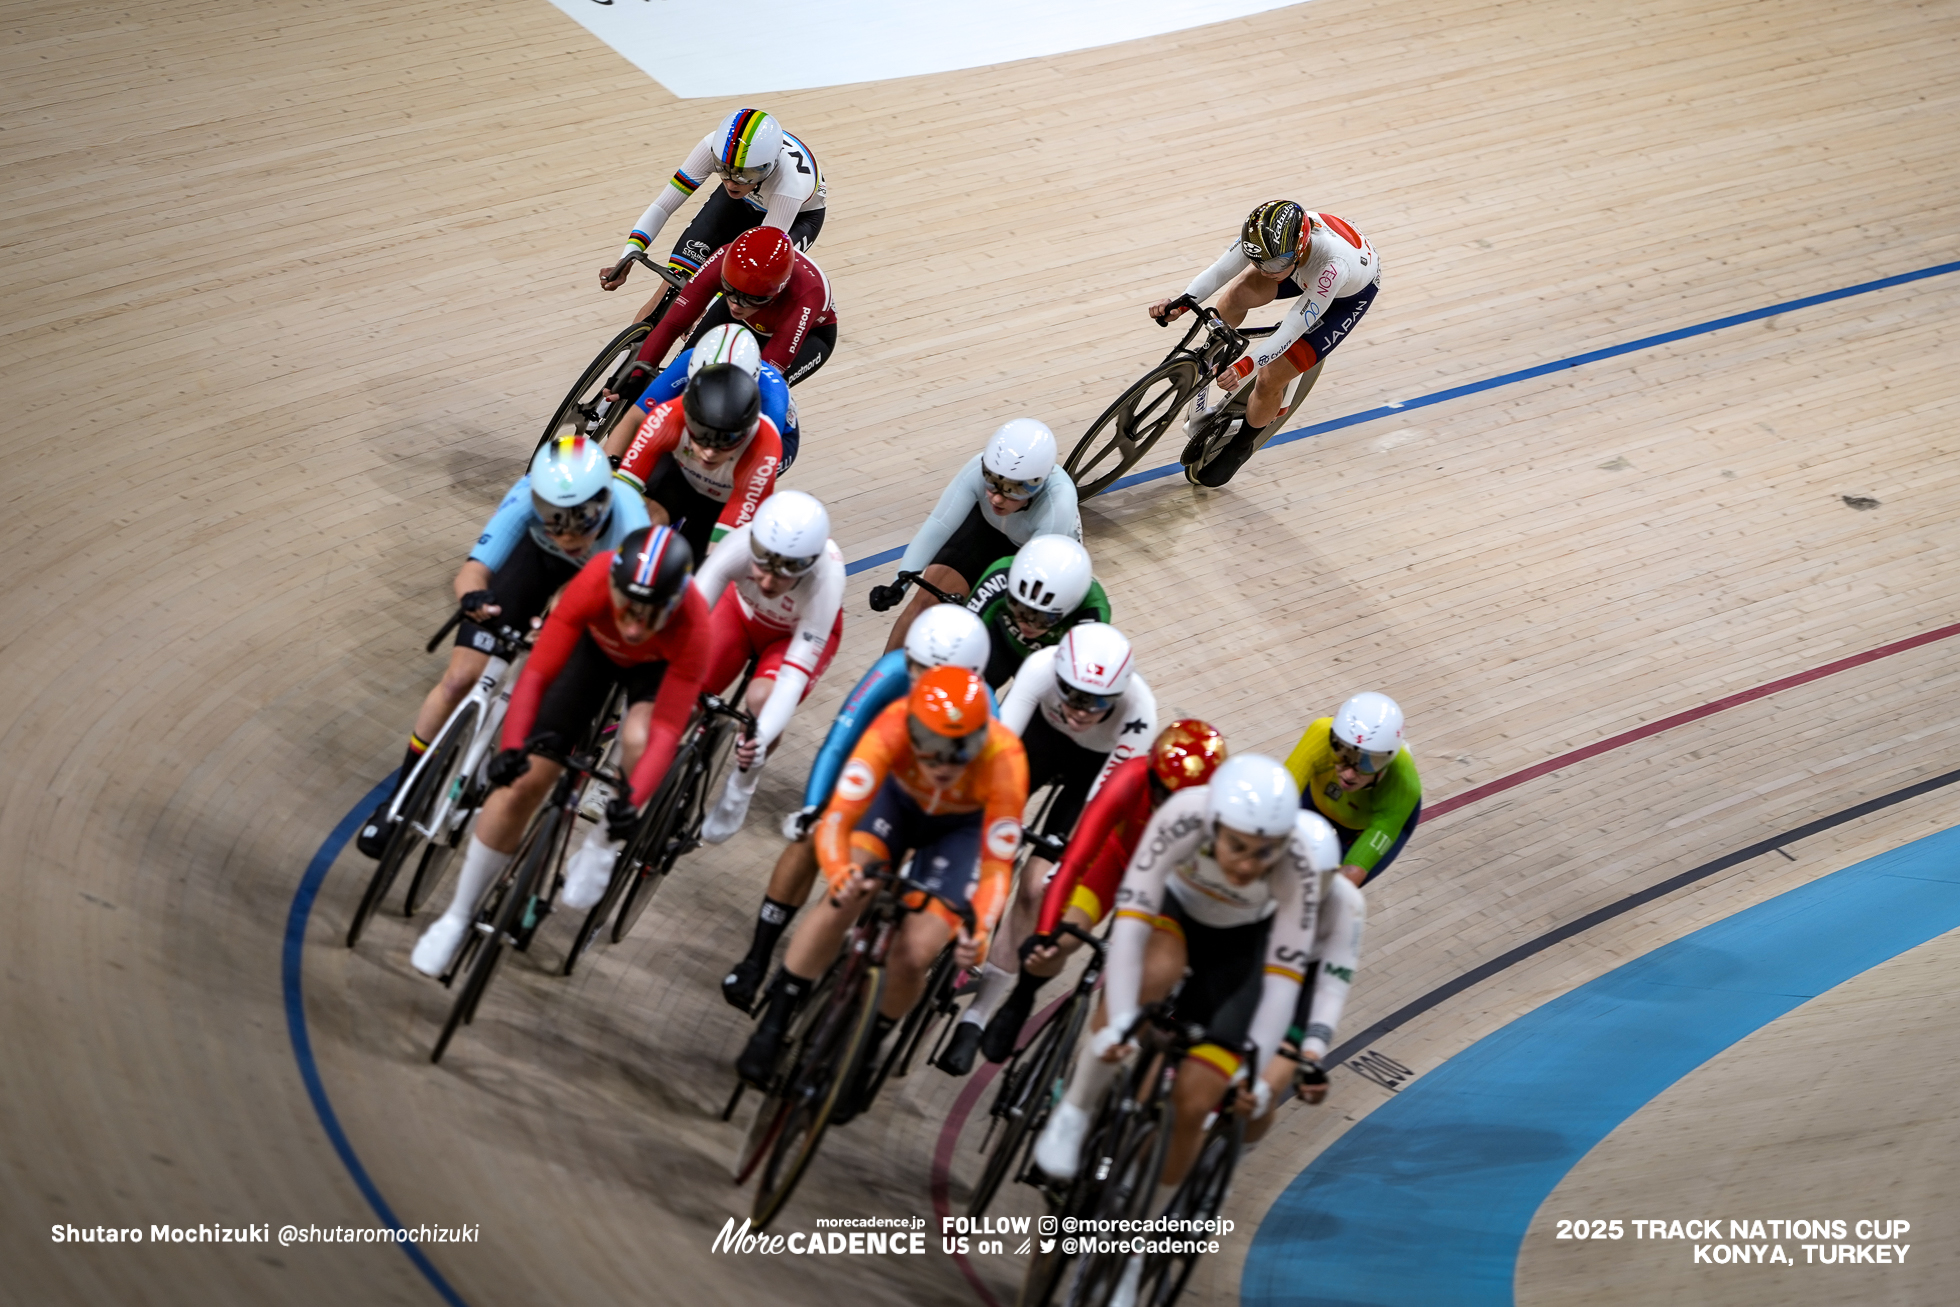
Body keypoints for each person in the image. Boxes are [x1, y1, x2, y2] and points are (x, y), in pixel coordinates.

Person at [1030, 755, 1340, 1220]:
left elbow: (1283, 981)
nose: (1247, 866)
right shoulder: (1182, 817)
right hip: (1175, 912)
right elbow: (1131, 930)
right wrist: (1117, 1021)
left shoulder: (1295, 864)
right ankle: (1075, 1111)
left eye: (1263, 853)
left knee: (1195, 1105)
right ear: (1213, 825)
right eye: (1236, 846)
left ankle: (1137, 1248)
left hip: (1241, 950)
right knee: (1154, 973)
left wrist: (1254, 1076)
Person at [408, 527, 710, 977]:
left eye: (650, 616)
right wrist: (511, 748)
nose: (632, 626)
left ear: (674, 604)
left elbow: (667, 729)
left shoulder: (695, 624)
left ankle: (605, 838)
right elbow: (536, 677)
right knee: (522, 785)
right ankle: (457, 916)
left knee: (639, 737)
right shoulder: (594, 579)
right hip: (590, 651)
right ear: (613, 586)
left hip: (654, 672)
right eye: (628, 608)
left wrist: (630, 804)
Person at [735, 668, 1028, 1120]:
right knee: (846, 895)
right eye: (933, 750)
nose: (945, 766)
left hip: (957, 832)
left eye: (961, 752)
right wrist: (840, 871)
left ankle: (867, 1049)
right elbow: (837, 819)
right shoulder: (891, 724)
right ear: (912, 728)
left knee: (915, 952)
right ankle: (775, 1020)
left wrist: (980, 933)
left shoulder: (1006, 758)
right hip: (893, 804)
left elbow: (995, 867)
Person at [355, 436, 649, 857]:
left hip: (598, 584)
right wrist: (473, 598)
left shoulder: (630, 527)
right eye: (553, 518)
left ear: (603, 502)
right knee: (458, 679)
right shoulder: (526, 496)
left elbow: (616, 620)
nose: (567, 533)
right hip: (536, 560)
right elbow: (473, 572)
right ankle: (398, 801)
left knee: (556, 682)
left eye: (580, 518)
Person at [720, 605, 994, 1012]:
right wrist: (814, 808)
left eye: (938, 677)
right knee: (814, 836)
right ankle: (757, 959)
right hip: (876, 770)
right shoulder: (891, 671)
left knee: (888, 881)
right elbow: (840, 741)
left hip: (934, 798)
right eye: (916, 668)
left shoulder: (987, 711)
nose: (922, 684)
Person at [940, 624, 1158, 1074]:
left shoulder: (1139, 713)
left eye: (1096, 702)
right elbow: (997, 751)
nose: (1079, 711)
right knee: (981, 832)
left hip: (1093, 771)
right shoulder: (1039, 668)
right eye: (1072, 695)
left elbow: (1101, 807)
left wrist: (1061, 864)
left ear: (1117, 697)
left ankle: (977, 1018)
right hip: (1038, 742)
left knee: (1038, 887)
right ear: (1057, 676)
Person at [948, 720, 1226, 1071]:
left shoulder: (1219, 823)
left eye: (1179, 800)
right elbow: (1075, 860)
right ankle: (1021, 997)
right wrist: (1047, 932)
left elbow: (1211, 906)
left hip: (1166, 887)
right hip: (1115, 863)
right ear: (1150, 770)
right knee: (1061, 940)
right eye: (1159, 791)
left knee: (1144, 983)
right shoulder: (1130, 777)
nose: (1165, 805)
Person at [1151, 201, 1380, 486]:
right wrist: (1181, 304)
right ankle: (1214, 352)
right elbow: (1220, 271)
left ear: (1298, 249)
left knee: (1270, 377)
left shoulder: (1333, 267)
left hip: (1344, 295)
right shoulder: (1264, 239)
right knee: (1236, 294)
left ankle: (1242, 445)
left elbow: (1293, 328)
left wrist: (1244, 367)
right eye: (1257, 261)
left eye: (1272, 264)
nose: (1265, 270)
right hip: (1297, 268)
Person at [687, 491, 846, 844]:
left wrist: (760, 739)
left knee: (763, 701)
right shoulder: (739, 543)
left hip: (791, 638)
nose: (769, 583)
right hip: (740, 613)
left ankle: (739, 790)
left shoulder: (827, 578)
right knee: (686, 695)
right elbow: (690, 620)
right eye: (763, 567)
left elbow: (791, 678)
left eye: (785, 574)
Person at [870, 420, 1080, 650]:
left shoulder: (1057, 507)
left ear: (1039, 483)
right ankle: (880, 679)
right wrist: (900, 583)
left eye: (1014, 490)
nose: (997, 498)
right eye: (991, 482)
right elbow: (938, 525)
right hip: (987, 529)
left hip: (1034, 557)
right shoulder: (976, 470)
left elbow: (1031, 587)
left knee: (983, 631)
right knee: (926, 604)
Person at [600, 107, 825, 316]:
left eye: (743, 174)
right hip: (742, 201)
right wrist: (626, 258)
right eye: (723, 170)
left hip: (797, 217)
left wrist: (705, 308)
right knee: (672, 283)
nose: (730, 182)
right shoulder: (715, 147)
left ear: (767, 167)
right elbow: (662, 206)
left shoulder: (790, 184)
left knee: (746, 298)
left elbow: (759, 256)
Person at [628, 227, 837, 389]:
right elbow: (672, 325)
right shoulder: (724, 257)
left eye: (750, 299)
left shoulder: (806, 296)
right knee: (684, 368)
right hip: (752, 317)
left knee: (759, 394)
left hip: (808, 336)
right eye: (728, 290)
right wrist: (637, 376)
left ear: (776, 293)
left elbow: (762, 376)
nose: (736, 305)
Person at [614, 362, 781, 562]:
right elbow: (622, 493)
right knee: (641, 522)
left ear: (746, 432)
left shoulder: (765, 446)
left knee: (698, 559)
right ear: (687, 418)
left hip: (728, 493)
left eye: (725, 440)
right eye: (702, 436)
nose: (710, 452)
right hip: (683, 472)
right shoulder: (667, 417)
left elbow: (722, 555)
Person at [602, 322, 802, 469]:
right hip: (703, 417)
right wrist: (606, 471)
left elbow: (750, 468)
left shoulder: (771, 398)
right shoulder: (689, 358)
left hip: (767, 440)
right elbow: (635, 419)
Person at [1283, 691, 1421, 887]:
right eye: (1342, 755)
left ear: (1387, 762)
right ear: (1333, 739)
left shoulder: (1403, 784)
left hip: (1363, 826)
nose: (1349, 774)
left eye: (1367, 764)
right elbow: (1274, 804)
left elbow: (1352, 872)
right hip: (1318, 799)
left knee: (1332, 894)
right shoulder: (1319, 735)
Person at [960, 534, 1109, 690]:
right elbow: (962, 635)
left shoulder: (1091, 611)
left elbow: (1077, 682)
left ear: (1072, 607)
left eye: (1043, 618)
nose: (1026, 624)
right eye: (1018, 608)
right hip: (1001, 640)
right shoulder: (1002, 574)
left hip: (1049, 662)